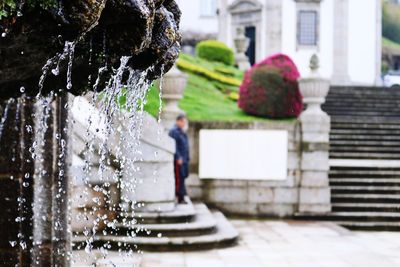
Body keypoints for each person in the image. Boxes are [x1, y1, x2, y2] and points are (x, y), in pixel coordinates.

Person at [169, 114, 190, 204]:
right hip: (179, 160)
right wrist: (178, 157)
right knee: (179, 179)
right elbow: (174, 146)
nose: (184, 124)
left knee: (183, 177)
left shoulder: (181, 131)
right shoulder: (174, 131)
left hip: (184, 160)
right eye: (183, 122)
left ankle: (181, 196)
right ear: (178, 121)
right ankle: (179, 197)